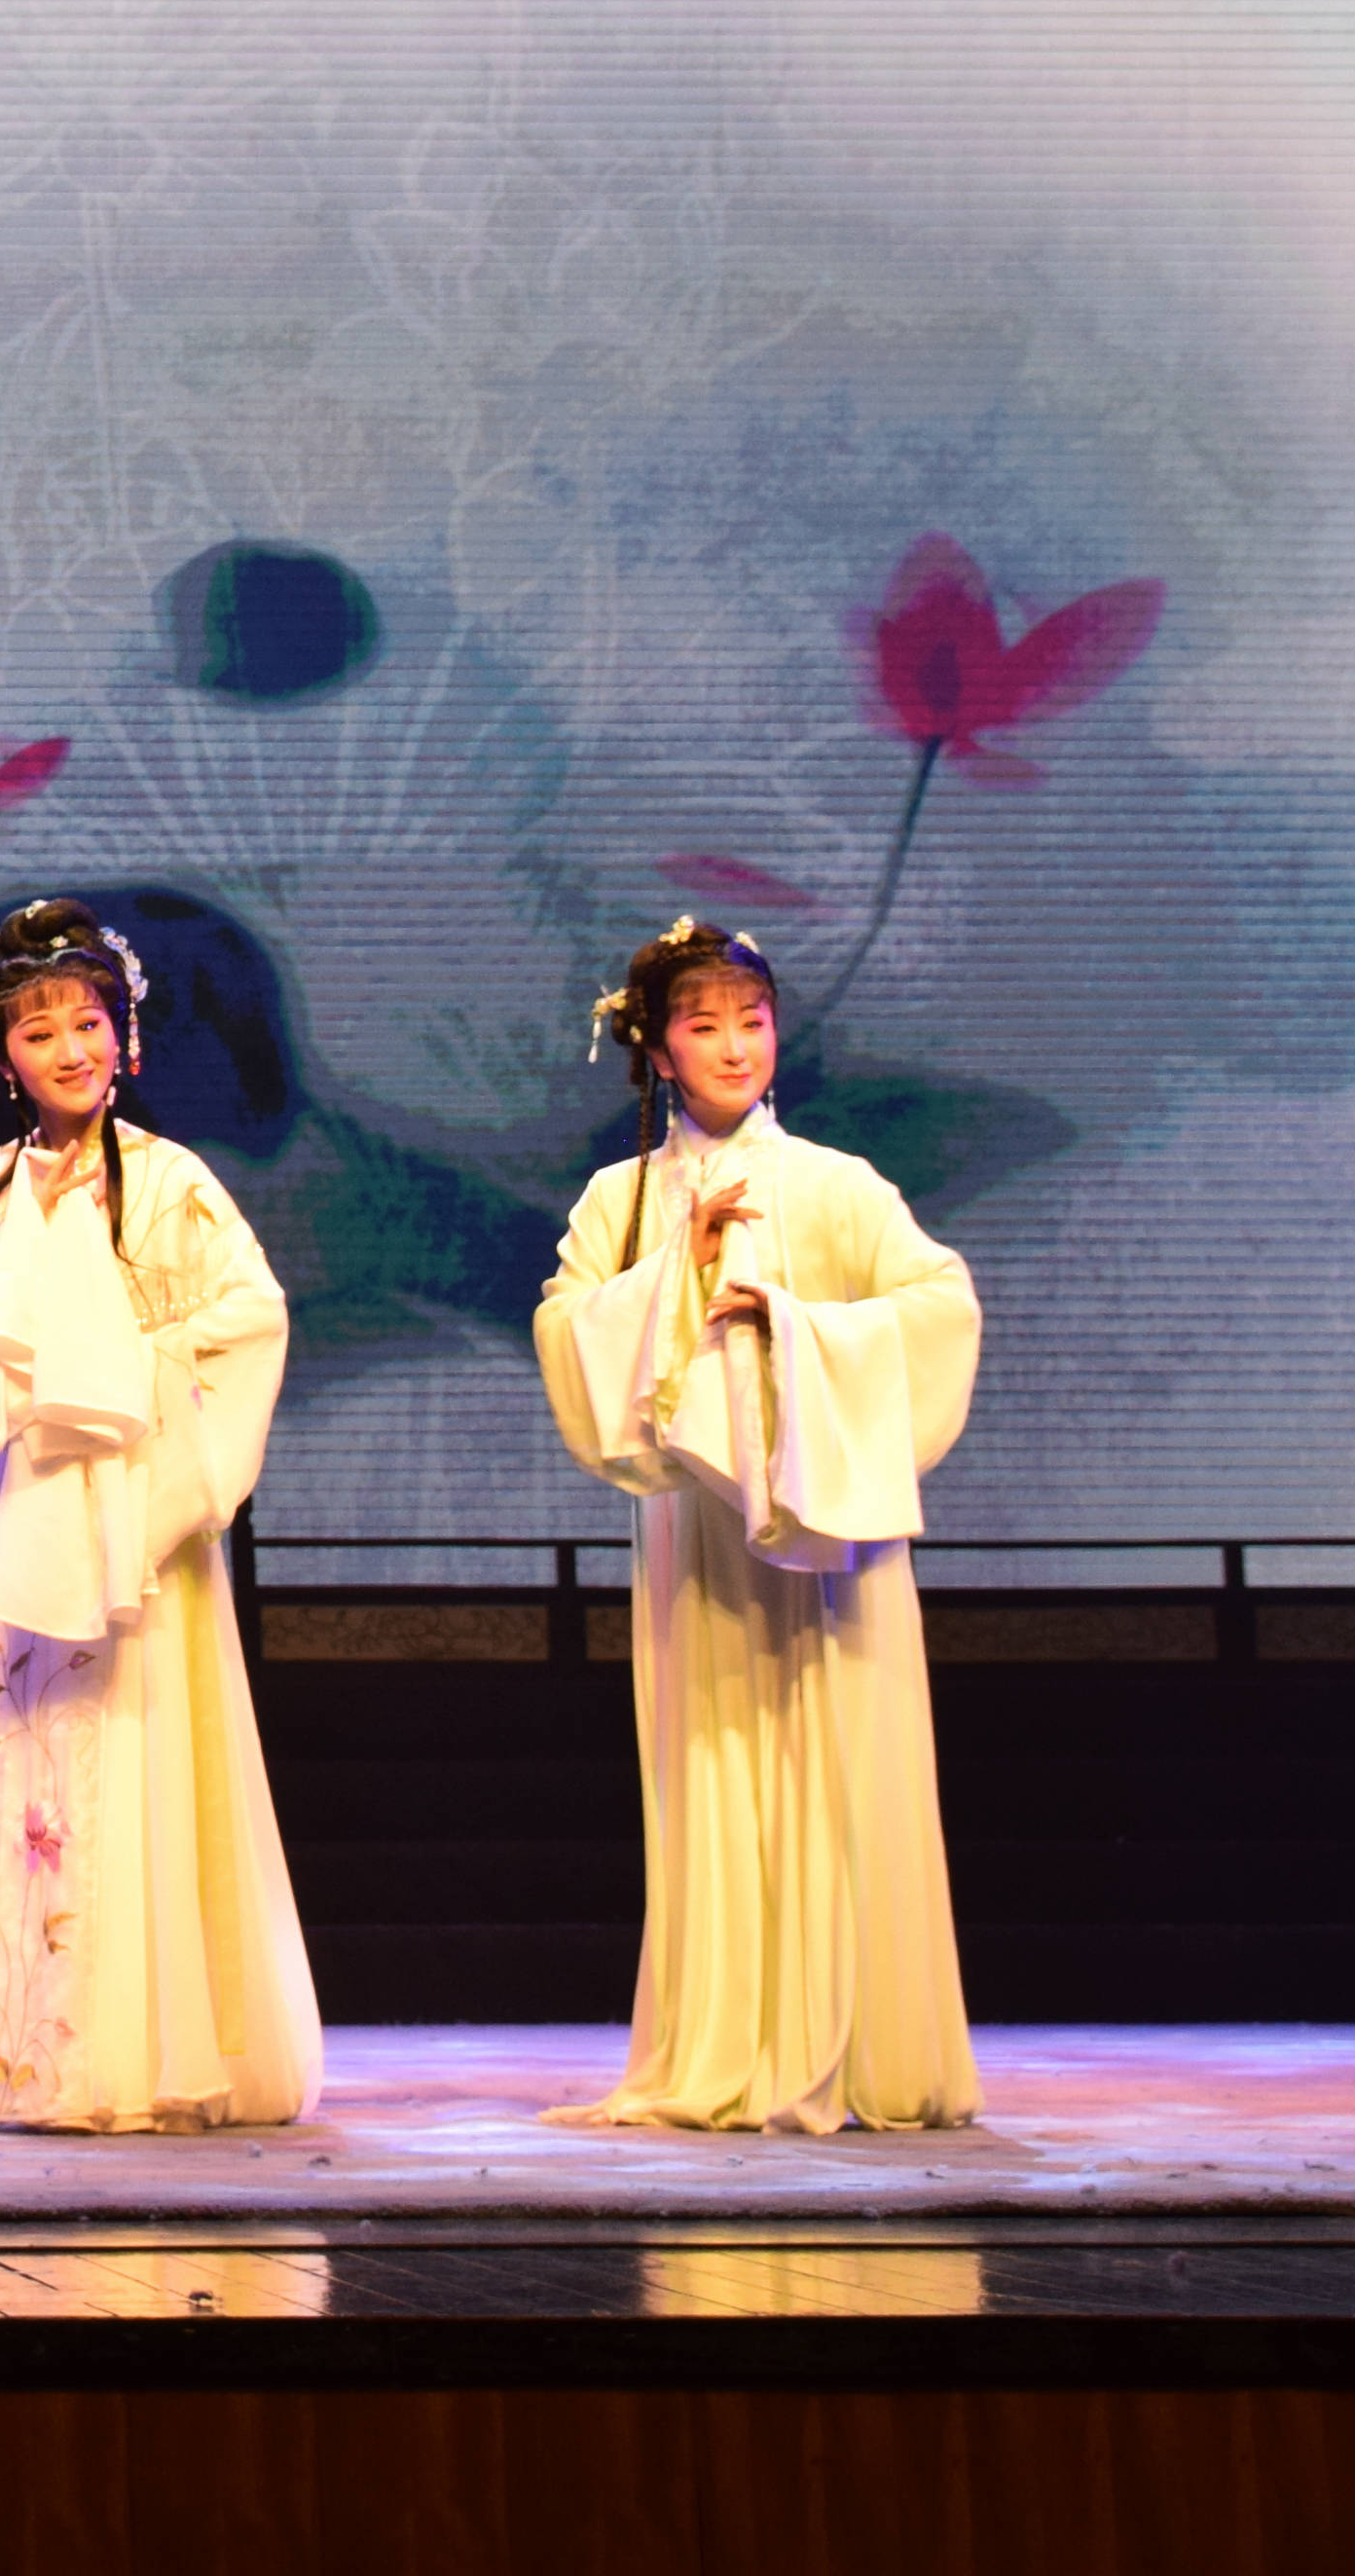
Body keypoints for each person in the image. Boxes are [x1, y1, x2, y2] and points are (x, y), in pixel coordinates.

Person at [0, 899, 323, 2132]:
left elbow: (249, 1320)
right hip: (34, 1507)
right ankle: (38, 2053)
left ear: (122, 1035)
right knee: (32, 1762)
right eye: (37, 1032)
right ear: (3, 1057)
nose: (69, 1049)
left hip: (142, 1515)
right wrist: (10, 1292)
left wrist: (123, 1365)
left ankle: (147, 2053)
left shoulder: (169, 1182)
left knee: (139, 1751)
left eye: (86, 1022)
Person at [531, 913, 985, 2132]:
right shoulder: (620, 1196)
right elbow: (565, 1329)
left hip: (829, 1527)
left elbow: (937, 1303)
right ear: (656, 1050)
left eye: (752, 1020)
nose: (734, 1046)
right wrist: (670, 1273)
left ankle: (870, 2055)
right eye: (702, 1025)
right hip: (701, 1538)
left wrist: (791, 1323)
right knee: (716, 1766)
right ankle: (727, 2047)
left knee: (845, 1761)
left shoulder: (836, 1184)